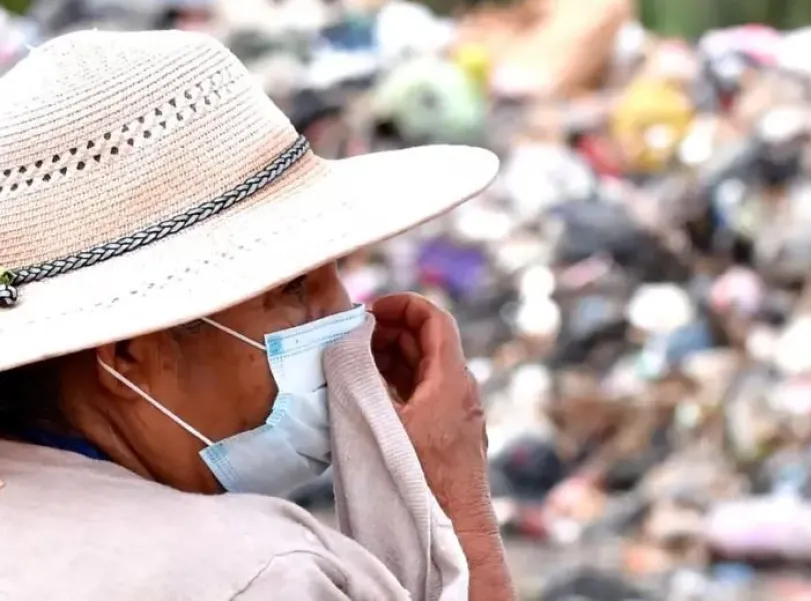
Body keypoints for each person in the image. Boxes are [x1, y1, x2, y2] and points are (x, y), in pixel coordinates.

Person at [0, 29, 513, 601]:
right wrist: (453, 494)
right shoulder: (261, 572)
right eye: (294, 288)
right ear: (129, 355)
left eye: (336, 273)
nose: (348, 318)